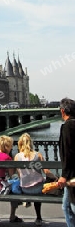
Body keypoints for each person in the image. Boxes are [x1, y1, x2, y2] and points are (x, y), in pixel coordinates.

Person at [15, 133, 58, 226]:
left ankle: (26, 201)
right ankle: (38, 218)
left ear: (20, 143)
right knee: (41, 181)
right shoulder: (38, 155)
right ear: (30, 143)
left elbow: (19, 174)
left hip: (24, 188)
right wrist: (55, 178)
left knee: (19, 181)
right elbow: (46, 172)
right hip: (38, 188)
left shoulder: (17, 156)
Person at [57, 97, 75, 227]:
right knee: (66, 206)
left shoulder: (68, 127)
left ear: (62, 111)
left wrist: (64, 175)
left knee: (71, 207)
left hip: (71, 175)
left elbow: (68, 152)